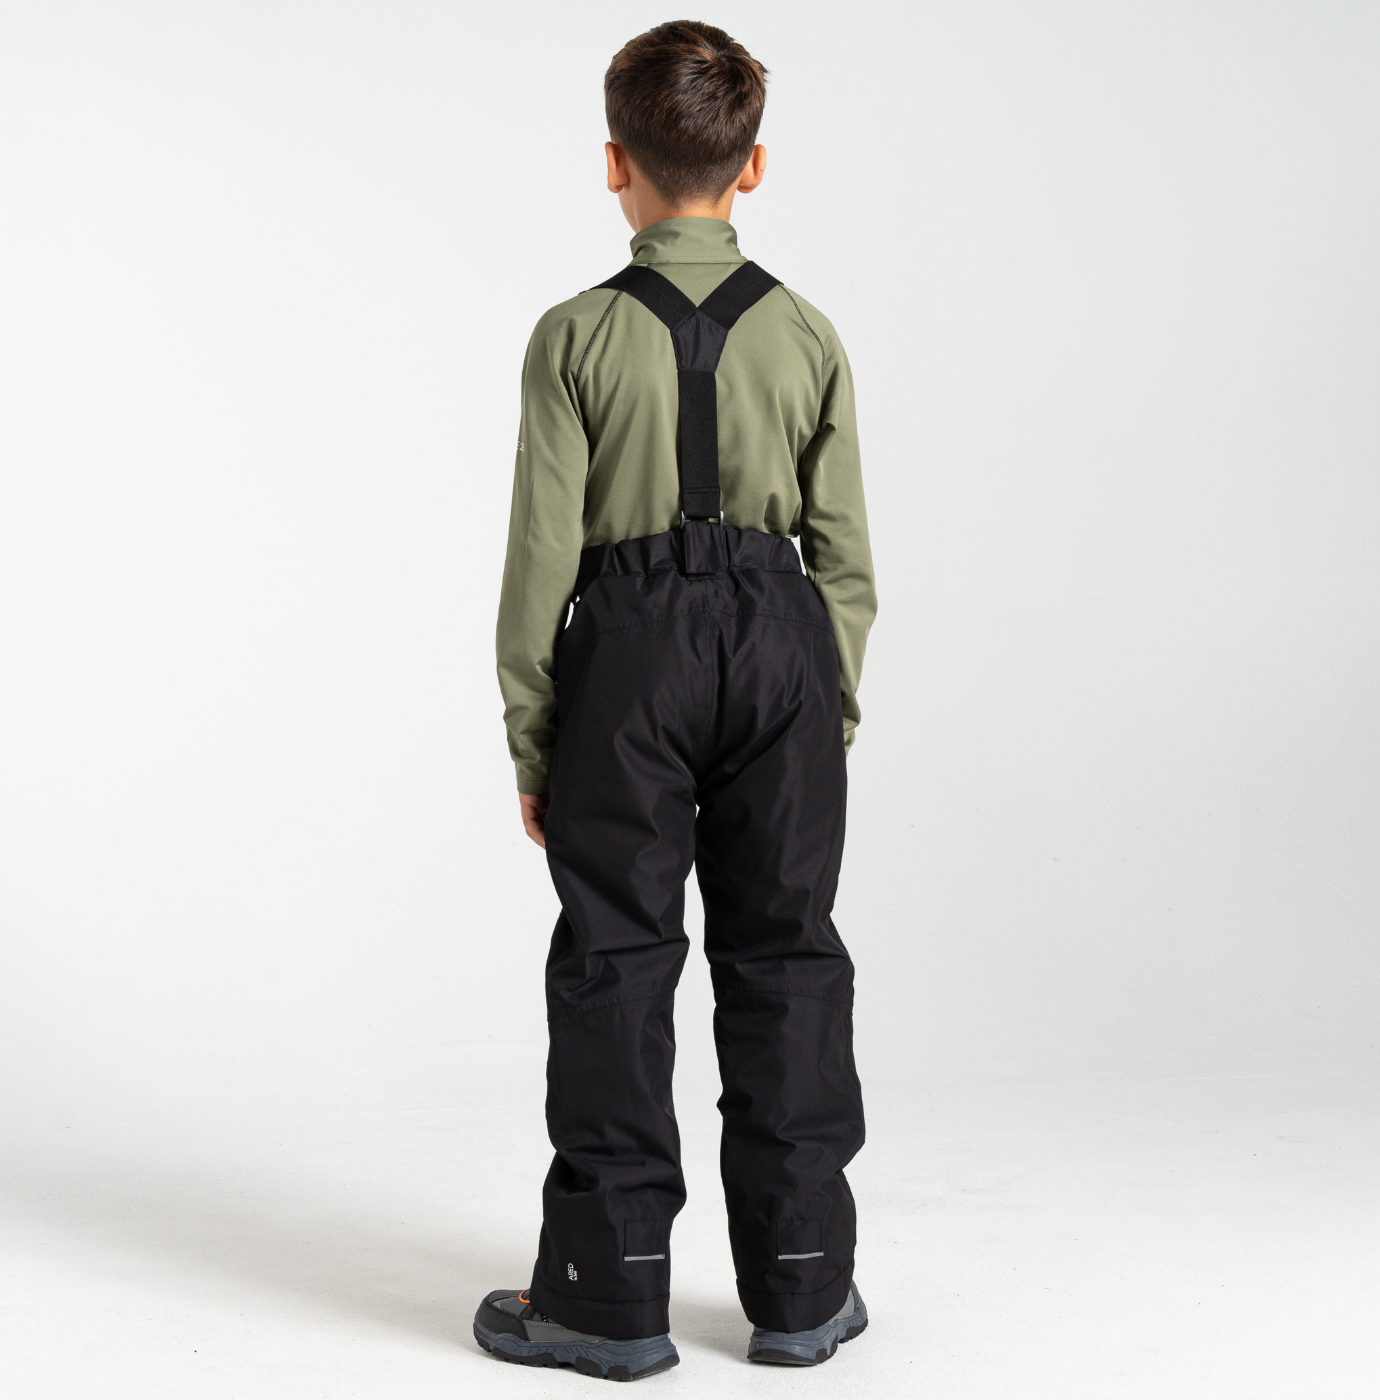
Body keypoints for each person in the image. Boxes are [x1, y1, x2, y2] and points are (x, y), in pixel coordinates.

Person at [475, 20, 877, 1380]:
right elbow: (845, 555)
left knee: (617, 959)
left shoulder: (572, 337)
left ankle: (611, 1295)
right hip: (781, 648)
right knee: (788, 956)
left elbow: (542, 556)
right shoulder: (808, 334)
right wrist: (829, 710)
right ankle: (804, 1285)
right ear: (751, 166)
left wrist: (535, 736)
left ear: (615, 164)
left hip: (628, 656)